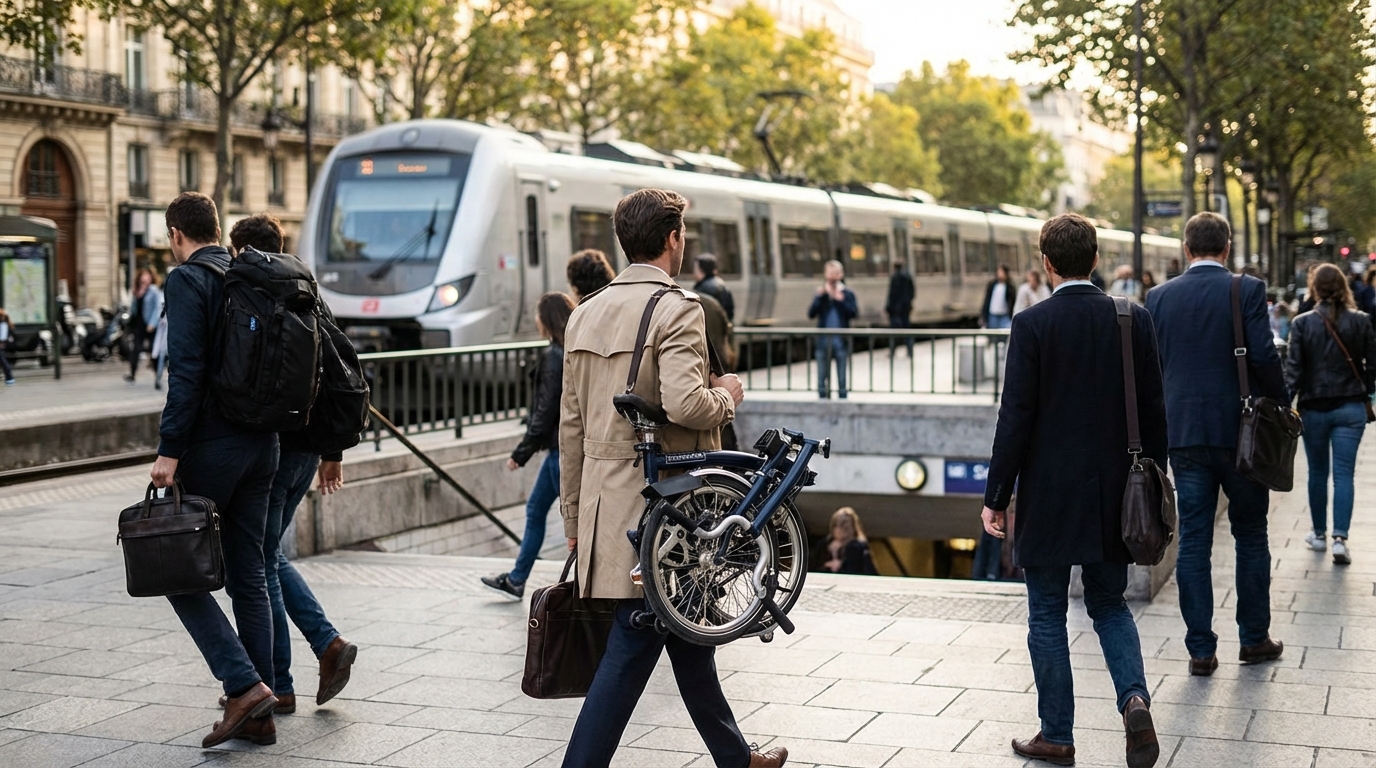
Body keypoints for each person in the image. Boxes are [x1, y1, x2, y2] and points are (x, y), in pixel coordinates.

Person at [559, 188, 784, 768]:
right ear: (673, 240)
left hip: (607, 510)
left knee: (690, 636)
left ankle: (736, 757)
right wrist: (728, 395)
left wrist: (573, 520)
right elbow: (687, 405)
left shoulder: (584, 312)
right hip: (668, 513)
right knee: (633, 646)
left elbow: (571, 430)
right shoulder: (678, 308)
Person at [982, 212, 1164, 768]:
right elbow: (1156, 410)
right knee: (1109, 604)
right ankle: (1133, 698)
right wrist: (1154, 479)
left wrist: (996, 495)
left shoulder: (1033, 325)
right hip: (1116, 493)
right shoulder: (1132, 320)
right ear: (1096, 260)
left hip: (1050, 494)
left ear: (1047, 263)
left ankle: (1057, 734)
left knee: (1046, 614)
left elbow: (1015, 418)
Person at [149, 192, 279, 747]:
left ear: (177, 234)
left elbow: (187, 373)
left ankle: (243, 685)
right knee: (249, 575)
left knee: (177, 571)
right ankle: (261, 712)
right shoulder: (247, 272)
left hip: (214, 446)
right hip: (265, 445)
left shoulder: (187, 280)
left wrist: (169, 450)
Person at [226, 213, 357, 726]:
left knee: (261, 561)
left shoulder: (256, 292)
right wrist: (332, 451)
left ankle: (282, 681)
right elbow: (341, 367)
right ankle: (320, 649)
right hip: (306, 450)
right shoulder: (308, 290)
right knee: (267, 556)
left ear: (243, 251)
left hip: (274, 447)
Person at [1146, 211, 1288, 677]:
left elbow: (1153, 369)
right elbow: (1265, 355)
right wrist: (1282, 406)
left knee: (1193, 541)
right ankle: (1253, 639)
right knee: (1250, 533)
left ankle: (1201, 650)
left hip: (1184, 433)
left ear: (1186, 249)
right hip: (1240, 432)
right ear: (1227, 248)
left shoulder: (1158, 297)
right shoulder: (1245, 289)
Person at [482, 291, 575, 598]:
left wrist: (520, 454)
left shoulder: (553, 356)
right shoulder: (570, 349)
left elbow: (546, 410)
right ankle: (516, 579)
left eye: (538, 313)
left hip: (560, 452)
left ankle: (586, 584)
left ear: (546, 319)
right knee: (536, 509)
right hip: (563, 448)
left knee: (573, 520)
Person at [1285, 263, 1376, 566]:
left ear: (1314, 287)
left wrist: (1285, 405)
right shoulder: (1361, 321)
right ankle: (1340, 538)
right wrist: (1366, 389)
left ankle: (1319, 534)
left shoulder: (1302, 323)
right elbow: (1372, 365)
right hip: (1351, 406)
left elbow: (1293, 372)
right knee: (1344, 475)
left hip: (1315, 408)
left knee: (1317, 473)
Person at [808, 260, 858, 399]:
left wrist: (839, 300)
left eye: (836, 273)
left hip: (841, 341)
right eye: (830, 273)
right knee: (821, 373)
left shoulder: (847, 294)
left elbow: (853, 313)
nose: (833, 277)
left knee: (842, 374)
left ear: (841, 275)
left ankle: (842, 395)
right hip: (823, 341)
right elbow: (811, 313)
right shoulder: (821, 293)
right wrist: (821, 296)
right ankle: (822, 395)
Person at [125, 268, 162, 384]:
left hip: (150, 324)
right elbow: (134, 308)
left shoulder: (154, 290)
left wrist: (152, 323)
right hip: (138, 324)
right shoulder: (137, 290)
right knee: (136, 349)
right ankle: (132, 374)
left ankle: (158, 375)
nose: (144, 278)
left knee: (153, 350)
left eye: (147, 275)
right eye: (143, 275)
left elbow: (157, 308)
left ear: (151, 277)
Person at [821, 507, 877, 574]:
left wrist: (840, 565)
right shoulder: (825, 544)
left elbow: (854, 569)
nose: (839, 529)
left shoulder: (857, 547)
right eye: (836, 525)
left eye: (844, 526)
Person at [693, 253, 735, 322]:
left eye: (695, 268)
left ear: (702, 270)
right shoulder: (721, 284)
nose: (694, 272)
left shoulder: (704, 289)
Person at [885, 260, 915, 354]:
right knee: (906, 329)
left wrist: (889, 307)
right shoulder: (908, 277)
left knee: (894, 331)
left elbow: (892, 294)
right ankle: (910, 350)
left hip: (896, 309)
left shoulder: (895, 278)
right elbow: (912, 293)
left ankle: (893, 350)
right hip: (905, 308)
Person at [981, 264, 1015, 329]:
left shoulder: (1010, 287)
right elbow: (987, 300)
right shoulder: (992, 285)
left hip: (1005, 315)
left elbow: (1012, 301)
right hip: (993, 315)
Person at [0, 308, 14, 385]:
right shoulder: (5, 324)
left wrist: (2, 343)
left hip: (4, 344)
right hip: (4, 344)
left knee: (2, 359)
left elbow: (3, 337)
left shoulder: (4, 324)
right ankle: (9, 376)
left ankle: (9, 376)